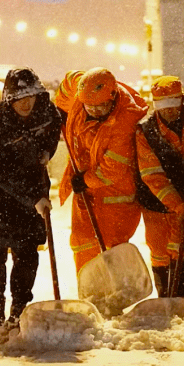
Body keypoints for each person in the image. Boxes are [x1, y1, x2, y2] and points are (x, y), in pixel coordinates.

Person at [0, 67, 62, 328]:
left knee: (27, 252)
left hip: (31, 191)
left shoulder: (46, 112)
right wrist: (33, 198)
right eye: (20, 97)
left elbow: (55, 129)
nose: (26, 102)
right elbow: (0, 171)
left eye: (31, 96)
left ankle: (19, 307)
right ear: (9, 98)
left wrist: (47, 151)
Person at [53, 67, 149, 273]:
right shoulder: (82, 89)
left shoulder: (126, 121)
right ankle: (89, 293)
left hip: (116, 197)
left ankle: (114, 297)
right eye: (89, 107)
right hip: (86, 191)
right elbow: (69, 80)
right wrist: (60, 107)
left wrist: (85, 181)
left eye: (100, 107)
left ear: (112, 99)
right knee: (83, 244)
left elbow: (112, 170)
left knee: (111, 250)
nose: (95, 111)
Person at [134, 76, 184, 297]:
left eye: (172, 104)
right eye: (161, 106)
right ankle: (164, 296)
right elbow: (152, 176)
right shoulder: (145, 132)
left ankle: (178, 297)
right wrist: (177, 206)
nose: (168, 111)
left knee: (182, 250)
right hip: (155, 202)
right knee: (160, 251)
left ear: (182, 100)